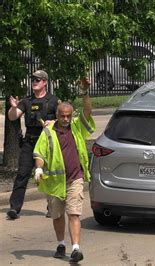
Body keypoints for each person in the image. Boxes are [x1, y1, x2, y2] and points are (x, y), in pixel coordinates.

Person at [33, 77, 94, 263]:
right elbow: (39, 153)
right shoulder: (48, 132)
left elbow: (88, 112)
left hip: (75, 179)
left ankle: (76, 248)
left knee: (74, 213)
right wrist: (38, 169)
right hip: (54, 182)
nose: (66, 119)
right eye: (62, 116)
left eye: (68, 116)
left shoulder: (77, 128)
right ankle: (61, 244)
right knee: (58, 216)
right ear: (57, 115)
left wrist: (85, 93)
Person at [6, 70, 59, 220]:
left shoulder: (53, 100)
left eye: (37, 79)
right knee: (22, 175)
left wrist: (53, 122)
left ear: (44, 82)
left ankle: (52, 207)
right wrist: (14, 107)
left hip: (47, 142)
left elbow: (64, 119)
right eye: (33, 80)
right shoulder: (27, 101)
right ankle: (14, 209)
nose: (34, 82)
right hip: (29, 142)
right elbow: (13, 117)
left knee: (49, 176)